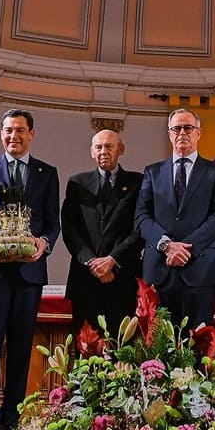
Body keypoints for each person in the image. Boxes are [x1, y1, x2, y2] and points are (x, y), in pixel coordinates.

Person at [0, 109, 61, 430]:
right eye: (8, 130)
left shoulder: (47, 173)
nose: (13, 136)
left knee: (21, 350)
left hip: (28, 274)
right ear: (1, 133)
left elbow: (52, 222)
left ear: (31, 133)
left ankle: (12, 418)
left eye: (20, 130)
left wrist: (43, 243)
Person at [135, 108, 215, 329]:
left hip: (201, 270)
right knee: (159, 345)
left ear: (199, 133)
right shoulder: (152, 172)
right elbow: (141, 217)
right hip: (159, 271)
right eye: (176, 128)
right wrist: (167, 245)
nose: (182, 133)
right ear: (169, 134)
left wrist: (186, 249)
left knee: (199, 344)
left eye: (188, 128)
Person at [60, 129, 143, 334]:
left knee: (123, 346)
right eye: (98, 147)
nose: (103, 151)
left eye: (109, 146)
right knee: (85, 347)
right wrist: (92, 262)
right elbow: (70, 228)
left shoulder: (138, 183)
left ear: (121, 149)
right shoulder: (77, 183)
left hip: (123, 279)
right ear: (92, 152)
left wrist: (112, 260)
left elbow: (140, 228)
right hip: (85, 280)